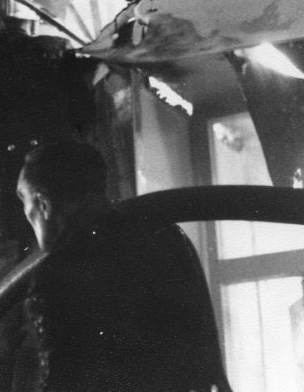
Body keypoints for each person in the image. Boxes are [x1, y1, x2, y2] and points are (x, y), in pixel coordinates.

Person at [0, 17, 95, 391]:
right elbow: (86, 124)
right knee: (45, 317)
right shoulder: (59, 58)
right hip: (57, 203)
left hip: (1, 212)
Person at [17, 140, 232, 391]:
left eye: (25, 202)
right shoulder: (167, 237)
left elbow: (62, 380)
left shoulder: (55, 275)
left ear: (44, 205)